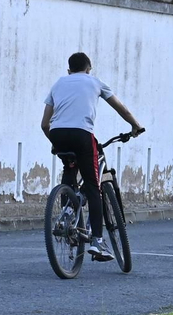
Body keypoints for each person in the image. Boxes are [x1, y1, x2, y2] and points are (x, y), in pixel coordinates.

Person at [40, 51, 143, 261]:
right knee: (93, 186)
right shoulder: (95, 82)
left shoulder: (58, 84)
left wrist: (55, 144)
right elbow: (121, 109)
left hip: (58, 134)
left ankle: (67, 214)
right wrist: (135, 126)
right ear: (89, 69)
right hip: (82, 135)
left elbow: (44, 124)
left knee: (70, 167)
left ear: (69, 70)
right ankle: (97, 241)